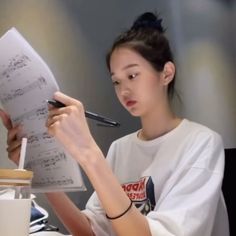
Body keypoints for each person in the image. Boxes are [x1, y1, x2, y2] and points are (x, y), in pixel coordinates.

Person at [0, 12, 229, 236]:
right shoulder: (121, 148)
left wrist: (89, 153)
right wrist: (38, 170)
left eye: (132, 76)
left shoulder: (202, 143)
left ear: (166, 74)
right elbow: (88, 231)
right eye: (116, 81)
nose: (124, 90)